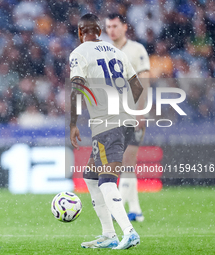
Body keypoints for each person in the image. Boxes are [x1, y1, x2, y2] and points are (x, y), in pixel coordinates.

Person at [69, 14, 142, 249]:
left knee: (106, 182)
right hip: (125, 122)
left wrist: (73, 123)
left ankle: (129, 232)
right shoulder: (118, 52)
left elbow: (76, 89)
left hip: (106, 125)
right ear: (99, 31)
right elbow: (137, 87)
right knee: (90, 176)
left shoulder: (79, 53)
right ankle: (108, 234)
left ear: (81, 33)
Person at [106, 13, 151, 222]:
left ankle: (120, 209)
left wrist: (141, 111)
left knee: (126, 159)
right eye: (108, 27)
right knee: (125, 162)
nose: (111, 30)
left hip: (134, 112)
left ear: (124, 27)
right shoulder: (105, 51)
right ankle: (135, 209)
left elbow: (144, 82)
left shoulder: (136, 50)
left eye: (115, 26)